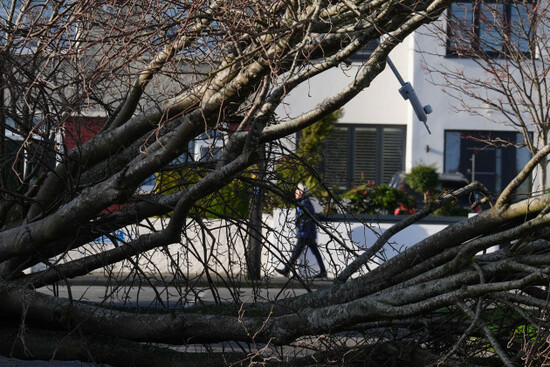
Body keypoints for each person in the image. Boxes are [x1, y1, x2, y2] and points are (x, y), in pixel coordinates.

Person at [276, 184, 327, 278]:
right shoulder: (304, 202)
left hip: (305, 234)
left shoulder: (304, 203)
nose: (295, 193)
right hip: (307, 233)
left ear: (301, 193)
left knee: (296, 252)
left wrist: (301, 232)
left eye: (297, 192)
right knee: (311, 252)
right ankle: (323, 271)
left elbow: (304, 219)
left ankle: (286, 270)